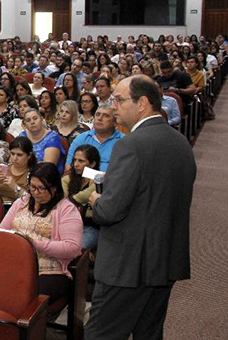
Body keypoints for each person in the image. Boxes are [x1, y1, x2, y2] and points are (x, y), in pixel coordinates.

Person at [85, 76, 196, 340]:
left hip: (128, 266)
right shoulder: (180, 142)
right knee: (149, 333)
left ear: (143, 103)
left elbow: (108, 212)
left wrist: (96, 201)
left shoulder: (130, 145)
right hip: (164, 259)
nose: (114, 107)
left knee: (101, 334)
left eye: (120, 100)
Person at [0, 162, 83, 303]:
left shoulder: (66, 209)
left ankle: (22, 323)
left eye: (41, 188)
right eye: (32, 187)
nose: (35, 192)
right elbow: (1, 230)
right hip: (16, 261)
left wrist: (34, 244)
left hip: (49, 269)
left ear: (54, 188)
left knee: (21, 295)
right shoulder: (22, 202)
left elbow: (73, 248)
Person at [65, 104, 124, 172]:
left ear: (115, 122)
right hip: (82, 181)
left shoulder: (124, 141)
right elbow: (69, 167)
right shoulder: (81, 139)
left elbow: (124, 171)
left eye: (106, 116)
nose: (99, 118)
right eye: (97, 114)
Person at [62, 145, 100, 250]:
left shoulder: (100, 181)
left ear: (92, 164)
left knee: (76, 248)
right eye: (74, 160)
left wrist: (72, 201)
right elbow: (63, 204)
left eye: (81, 161)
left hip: (90, 226)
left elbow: (86, 195)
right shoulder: (66, 179)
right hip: (68, 225)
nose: (76, 164)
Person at [0, 136, 36, 204]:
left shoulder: (34, 173)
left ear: (29, 155)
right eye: (12, 154)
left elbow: (33, 200)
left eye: (19, 155)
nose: (15, 158)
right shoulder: (1, 167)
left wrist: (15, 187)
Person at [19, 108, 66, 173]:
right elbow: (15, 160)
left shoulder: (52, 137)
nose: (32, 122)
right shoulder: (22, 136)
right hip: (24, 174)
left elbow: (47, 167)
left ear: (41, 119)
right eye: (28, 120)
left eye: (35, 118)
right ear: (24, 124)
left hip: (46, 177)